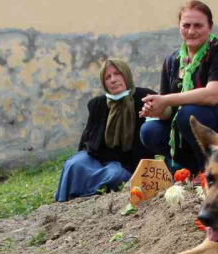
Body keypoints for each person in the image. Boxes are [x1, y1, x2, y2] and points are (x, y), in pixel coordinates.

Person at [138, 1, 218, 174]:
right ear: (179, 27)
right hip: (190, 124)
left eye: (198, 25)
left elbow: (213, 96)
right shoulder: (172, 61)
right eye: (186, 25)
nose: (191, 31)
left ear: (210, 27)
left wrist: (165, 100)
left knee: (189, 114)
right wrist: (157, 109)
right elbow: (168, 110)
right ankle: (196, 168)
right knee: (150, 131)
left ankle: (211, 168)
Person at [55, 59, 156, 202]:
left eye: (117, 74)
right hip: (98, 159)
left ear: (126, 75)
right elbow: (87, 139)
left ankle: (86, 196)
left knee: (115, 175)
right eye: (107, 77)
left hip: (125, 165)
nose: (113, 80)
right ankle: (66, 201)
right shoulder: (97, 104)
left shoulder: (144, 98)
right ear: (104, 83)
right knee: (74, 164)